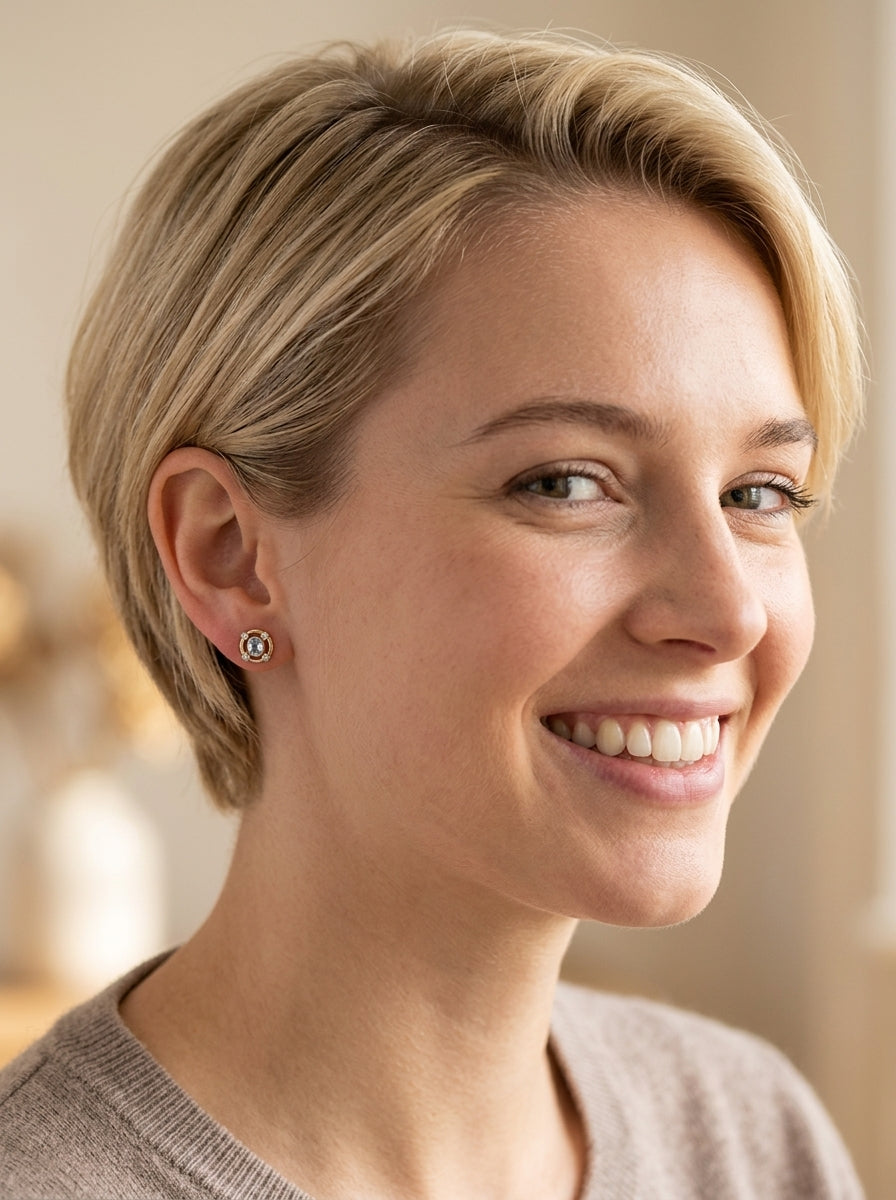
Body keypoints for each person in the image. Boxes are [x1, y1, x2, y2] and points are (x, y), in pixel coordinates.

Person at [0, 28, 865, 1199]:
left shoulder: (747, 1140)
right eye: (565, 482)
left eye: (758, 494)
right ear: (230, 555)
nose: (725, 612)